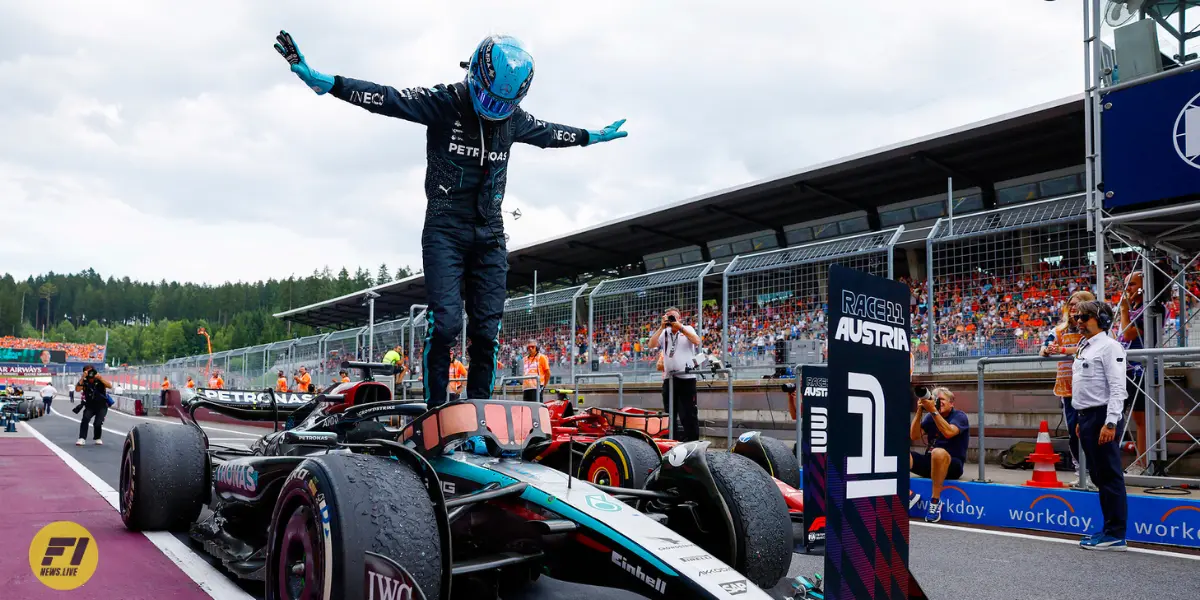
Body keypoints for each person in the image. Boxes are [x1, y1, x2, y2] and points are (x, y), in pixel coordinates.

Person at [275, 31, 627, 408]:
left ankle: (478, 412)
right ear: (474, 74)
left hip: (490, 234)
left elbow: (552, 134)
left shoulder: (515, 121)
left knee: (486, 332)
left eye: (501, 103)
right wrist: (327, 83)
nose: (492, 108)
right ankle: (436, 410)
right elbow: (387, 98)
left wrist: (592, 136)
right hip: (445, 229)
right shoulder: (446, 102)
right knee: (444, 326)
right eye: (487, 97)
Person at [1072, 300, 1129, 550]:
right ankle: (1108, 529)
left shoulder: (1109, 347)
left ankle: (1116, 533)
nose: (1079, 322)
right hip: (1086, 417)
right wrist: (1081, 418)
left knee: (1109, 476)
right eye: (1077, 317)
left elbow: (1118, 387)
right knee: (1099, 475)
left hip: (1102, 416)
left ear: (1102, 320)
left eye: (1085, 317)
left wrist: (1110, 421)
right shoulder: (1085, 346)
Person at [1041, 290, 1095, 480]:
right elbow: (1046, 344)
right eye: (1070, 303)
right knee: (1073, 431)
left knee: (1090, 431)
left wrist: (1062, 349)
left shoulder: (1094, 328)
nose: (1072, 307)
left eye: (1077, 303)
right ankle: (1081, 471)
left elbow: (1088, 346)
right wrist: (1047, 348)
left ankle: (1094, 471)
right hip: (1068, 389)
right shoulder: (1060, 329)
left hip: (1091, 388)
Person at [908, 387, 970, 523]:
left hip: (952, 465)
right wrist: (920, 410)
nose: (939, 402)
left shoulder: (960, 416)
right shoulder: (931, 417)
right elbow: (914, 435)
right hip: (931, 463)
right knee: (901, 454)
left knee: (938, 452)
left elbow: (949, 432)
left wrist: (934, 411)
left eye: (942, 400)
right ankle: (909, 495)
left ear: (951, 403)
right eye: (937, 400)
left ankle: (935, 503)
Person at [648, 307, 703, 441]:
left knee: (688, 412)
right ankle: (672, 440)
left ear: (679, 318)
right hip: (669, 379)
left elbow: (697, 341)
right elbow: (651, 344)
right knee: (669, 412)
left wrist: (680, 328)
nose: (670, 320)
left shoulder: (687, 328)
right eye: (668, 317)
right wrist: (661, 327)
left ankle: (692, 440)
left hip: (686, 378)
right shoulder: (664, 332)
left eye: (673, 317)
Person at [1116, 271, 1147, 471]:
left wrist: (1124, 311)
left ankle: (1142, 461)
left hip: (1139, 369)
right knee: (1117, 414)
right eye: (1127, 285)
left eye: (1133, 284)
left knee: (1140, 418)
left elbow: (1128, 334)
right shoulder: (1134, 308)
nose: (1129, 289)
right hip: (1123, 368)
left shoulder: (1149, 309)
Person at [74, 365, 111, 446]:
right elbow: (77, 389)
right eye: (88, 371)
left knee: (98, 423)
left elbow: (110, 386)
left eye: (91, 371)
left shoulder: (99, 379)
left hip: (102, 406)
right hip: (89, 405)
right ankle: (82, 438)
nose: (90, 373)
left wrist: (101, 378)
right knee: (85, 419)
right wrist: (82, 377)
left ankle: (97, 438)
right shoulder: (84, 381)